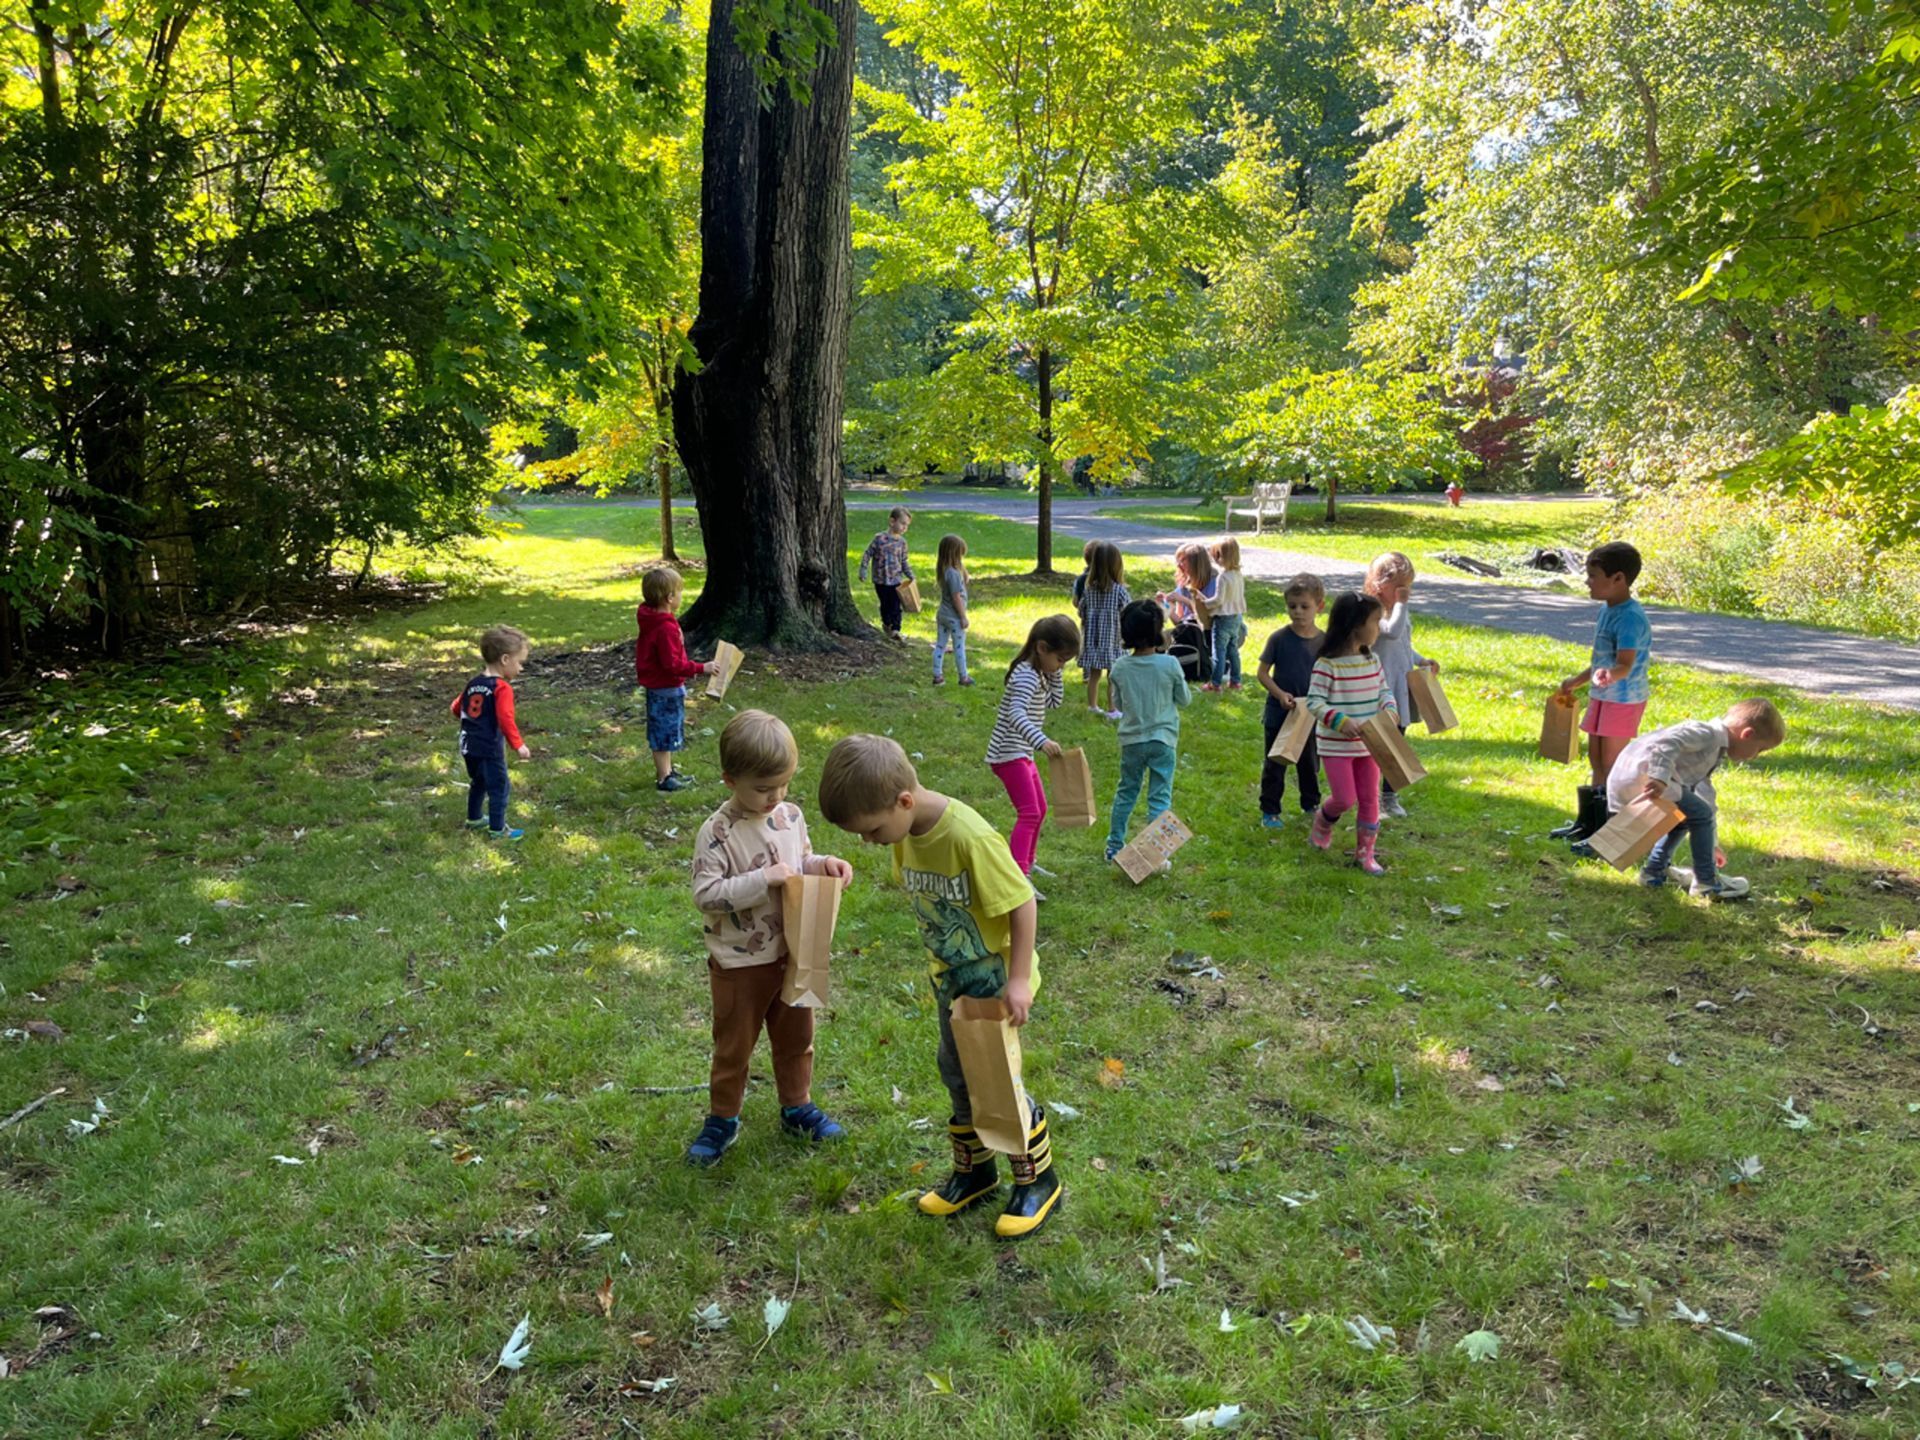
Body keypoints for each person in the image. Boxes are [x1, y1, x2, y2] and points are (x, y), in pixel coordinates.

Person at [817, 734, 1063, 1239]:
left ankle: (1038, 1179)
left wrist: (1018, 980)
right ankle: (975, 1173)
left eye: (872, 831)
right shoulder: (905, 832)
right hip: (953, 985)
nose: (870, 842)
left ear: (903, 802)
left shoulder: (967, 837)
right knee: (956, 1072)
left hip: (995, 984)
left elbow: (1023, 903)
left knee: (997, 1079)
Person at [686, 711, 855, 1165]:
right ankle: (722, 1118)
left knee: (797, 1034)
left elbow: (801, 860)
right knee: (734, 1043)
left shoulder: (790, 816)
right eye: (762, 788)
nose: (774, 796)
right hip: (741, 964)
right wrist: (763, 879)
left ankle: (797, 1105)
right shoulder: (718, 834)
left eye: (783, 784)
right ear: (729, 779)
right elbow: (706, 895)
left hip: (793, 951)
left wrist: (823, 865)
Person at [1576, 699, 1787, 900]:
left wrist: (1711, 843)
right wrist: (1659, 776)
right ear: (1747, 734)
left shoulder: (1713, 749)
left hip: (1643, 778)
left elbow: (1705, 796)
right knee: (1699, 815)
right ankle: (1707, 882)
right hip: (1644, 777)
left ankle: (1654, 872)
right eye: (1760, 749)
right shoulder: (1708, 734)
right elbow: (1667, 743)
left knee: (1687, 815)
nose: (1756, 756)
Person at [1552, 541, 1653, 841]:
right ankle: (1590, 823)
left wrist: (1609, 676)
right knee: (1596, 761)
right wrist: (1578, 681)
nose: (1587, 581)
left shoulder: (1630, 618)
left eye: (1593, 575)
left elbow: (1624, 664)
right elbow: (1601, 661)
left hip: (1623, 700)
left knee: (1613, 765)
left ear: (1618, 579)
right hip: (1603, 696)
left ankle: (1612, 830)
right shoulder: (1607, 611)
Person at [1304, 592, 1396, 876]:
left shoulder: (1372, 661)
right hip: (1336, 745)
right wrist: (1340, 721)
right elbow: (1314, 702)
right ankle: (1323, 822)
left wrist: (1390, 708)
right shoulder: (1327, 665)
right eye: (1375, 621)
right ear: (1356, 625)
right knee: (1344, 798)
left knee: (1370, 799)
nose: (1379, 627)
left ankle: (1365, 854)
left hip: (1369, 744)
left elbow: (1383, 691)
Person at [985, 615, 1080, 886]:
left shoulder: (1040, 671)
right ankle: (1019, 875)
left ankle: (1028, 862)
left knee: (1040, 808)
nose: (1061, 665)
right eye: (1060, 659)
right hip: (1009, 753)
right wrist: (1041, 740)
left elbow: (1054, 702)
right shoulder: (1026, 675)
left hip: (1022, 752)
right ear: (1041, 648)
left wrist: (1057, 673)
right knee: (1029, 812)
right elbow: (1015, 713)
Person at [1105, 599, 1191, 864]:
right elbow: (1184, 699)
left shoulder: (1119, 667)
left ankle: (1113, 847)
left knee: (1126, 792)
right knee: (1159, 796)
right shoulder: (1170, 665)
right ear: (1158, 630)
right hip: (1163, 740)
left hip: (1132, 740)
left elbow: (1118, 703)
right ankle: (1156, 854)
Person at [1364, 551, 1438, 819]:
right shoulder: (1372, 613)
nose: (1405, 592)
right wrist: (1402, 604)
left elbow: (1403, 641)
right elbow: (1391, 632)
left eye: (1408, 587)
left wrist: (1420, 660)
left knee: (1398, 741)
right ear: (1380, 584)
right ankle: (1373, 799)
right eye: (1399, 587)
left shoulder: (1398, 612)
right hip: (1380, 687)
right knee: (1380, 742)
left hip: (1401, 684)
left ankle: (1390, 796)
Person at [634, 566, 719, 793]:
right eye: (679, 592)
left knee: (668, 731)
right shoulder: (664, 628)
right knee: (663, 733)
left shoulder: (656, 620)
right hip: (665, 688)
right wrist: (703, 668)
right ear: (669, 598)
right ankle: (664, 779)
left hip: (663, 687)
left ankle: (669, 771)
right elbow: (673, 665)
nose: (681, 596)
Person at [1256, 574, 1326, 829]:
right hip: (1279, 712)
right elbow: (1262, 673)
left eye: (1304, 606)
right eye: (1292, 606)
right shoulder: (1279, 638)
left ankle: (1311, 805)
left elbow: (1330, 675)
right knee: (1275, 763)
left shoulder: (1325, 641)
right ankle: (1270, 810)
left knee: (1309, 762)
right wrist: (1280, 694)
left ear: (1319, 606)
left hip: (1310, 714)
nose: (1297, 612)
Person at [451, 625, 533, 840]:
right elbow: (506, 719)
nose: (521, 669)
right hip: (489, 748)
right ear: (505, 659)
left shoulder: (473, 683)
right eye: (520, 663)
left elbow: (456, 708)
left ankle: (474, 818)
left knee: (479, 782)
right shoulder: (501, 688)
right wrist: (518, 745)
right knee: (499, 787)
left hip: (468, 745)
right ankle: (498, 830)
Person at [1074, 540, 1129, 719]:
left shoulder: (1089, 590)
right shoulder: (1120, 591)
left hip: (1094, 640)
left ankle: (1093, 706)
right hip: (1113, 640)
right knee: (1113, 677)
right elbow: (1127, 613)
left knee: (1094, 675)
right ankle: (1113, 709)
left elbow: (1081, 611)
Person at [857, 506, 915, 641]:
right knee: (885, 604)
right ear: (892, 521)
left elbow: (904, 561)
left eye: (907, 525)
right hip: (880, 580)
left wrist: (911, 576)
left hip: (896, 581)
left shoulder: (902, 543)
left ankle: (896, 629)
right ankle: (887, 624)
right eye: (902, 523)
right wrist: (863, 569)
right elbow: (868, 554)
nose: (904, 528)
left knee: (896, 605)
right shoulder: (879, 539)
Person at [1159, 542, 1215, 680]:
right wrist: (1165, 606)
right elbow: (1179, 622)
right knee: (1159, 639)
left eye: (1183, 561)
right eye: (1178, 560)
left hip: (1212, 630)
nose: (1179, 565)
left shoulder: (1215, 582)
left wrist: (1184, 600)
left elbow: (1208, 617)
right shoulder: (1184, 583)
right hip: (1191, 631)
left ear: (1196, 563)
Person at [1206, 537, 1248, 692]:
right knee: (1233, 650)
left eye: (1217, 556)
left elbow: (1218, 600)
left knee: (1219, 652)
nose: (1216, 560)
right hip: (1237, 617)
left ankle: (1215, 683)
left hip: (1223, 618)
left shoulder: (1222, 577)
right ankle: (1235, 681)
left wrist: (1204, 604)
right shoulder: (1238, 574)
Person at [932, 533, 974, 686]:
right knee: (959, 647)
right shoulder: (954, 574)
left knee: (940, 645)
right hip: (954, 617)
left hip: (942, 614)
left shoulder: (945, 570)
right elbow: (956, 597)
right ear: (955, 554)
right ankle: (964, 677)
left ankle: (937, 676)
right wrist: (963, 616)